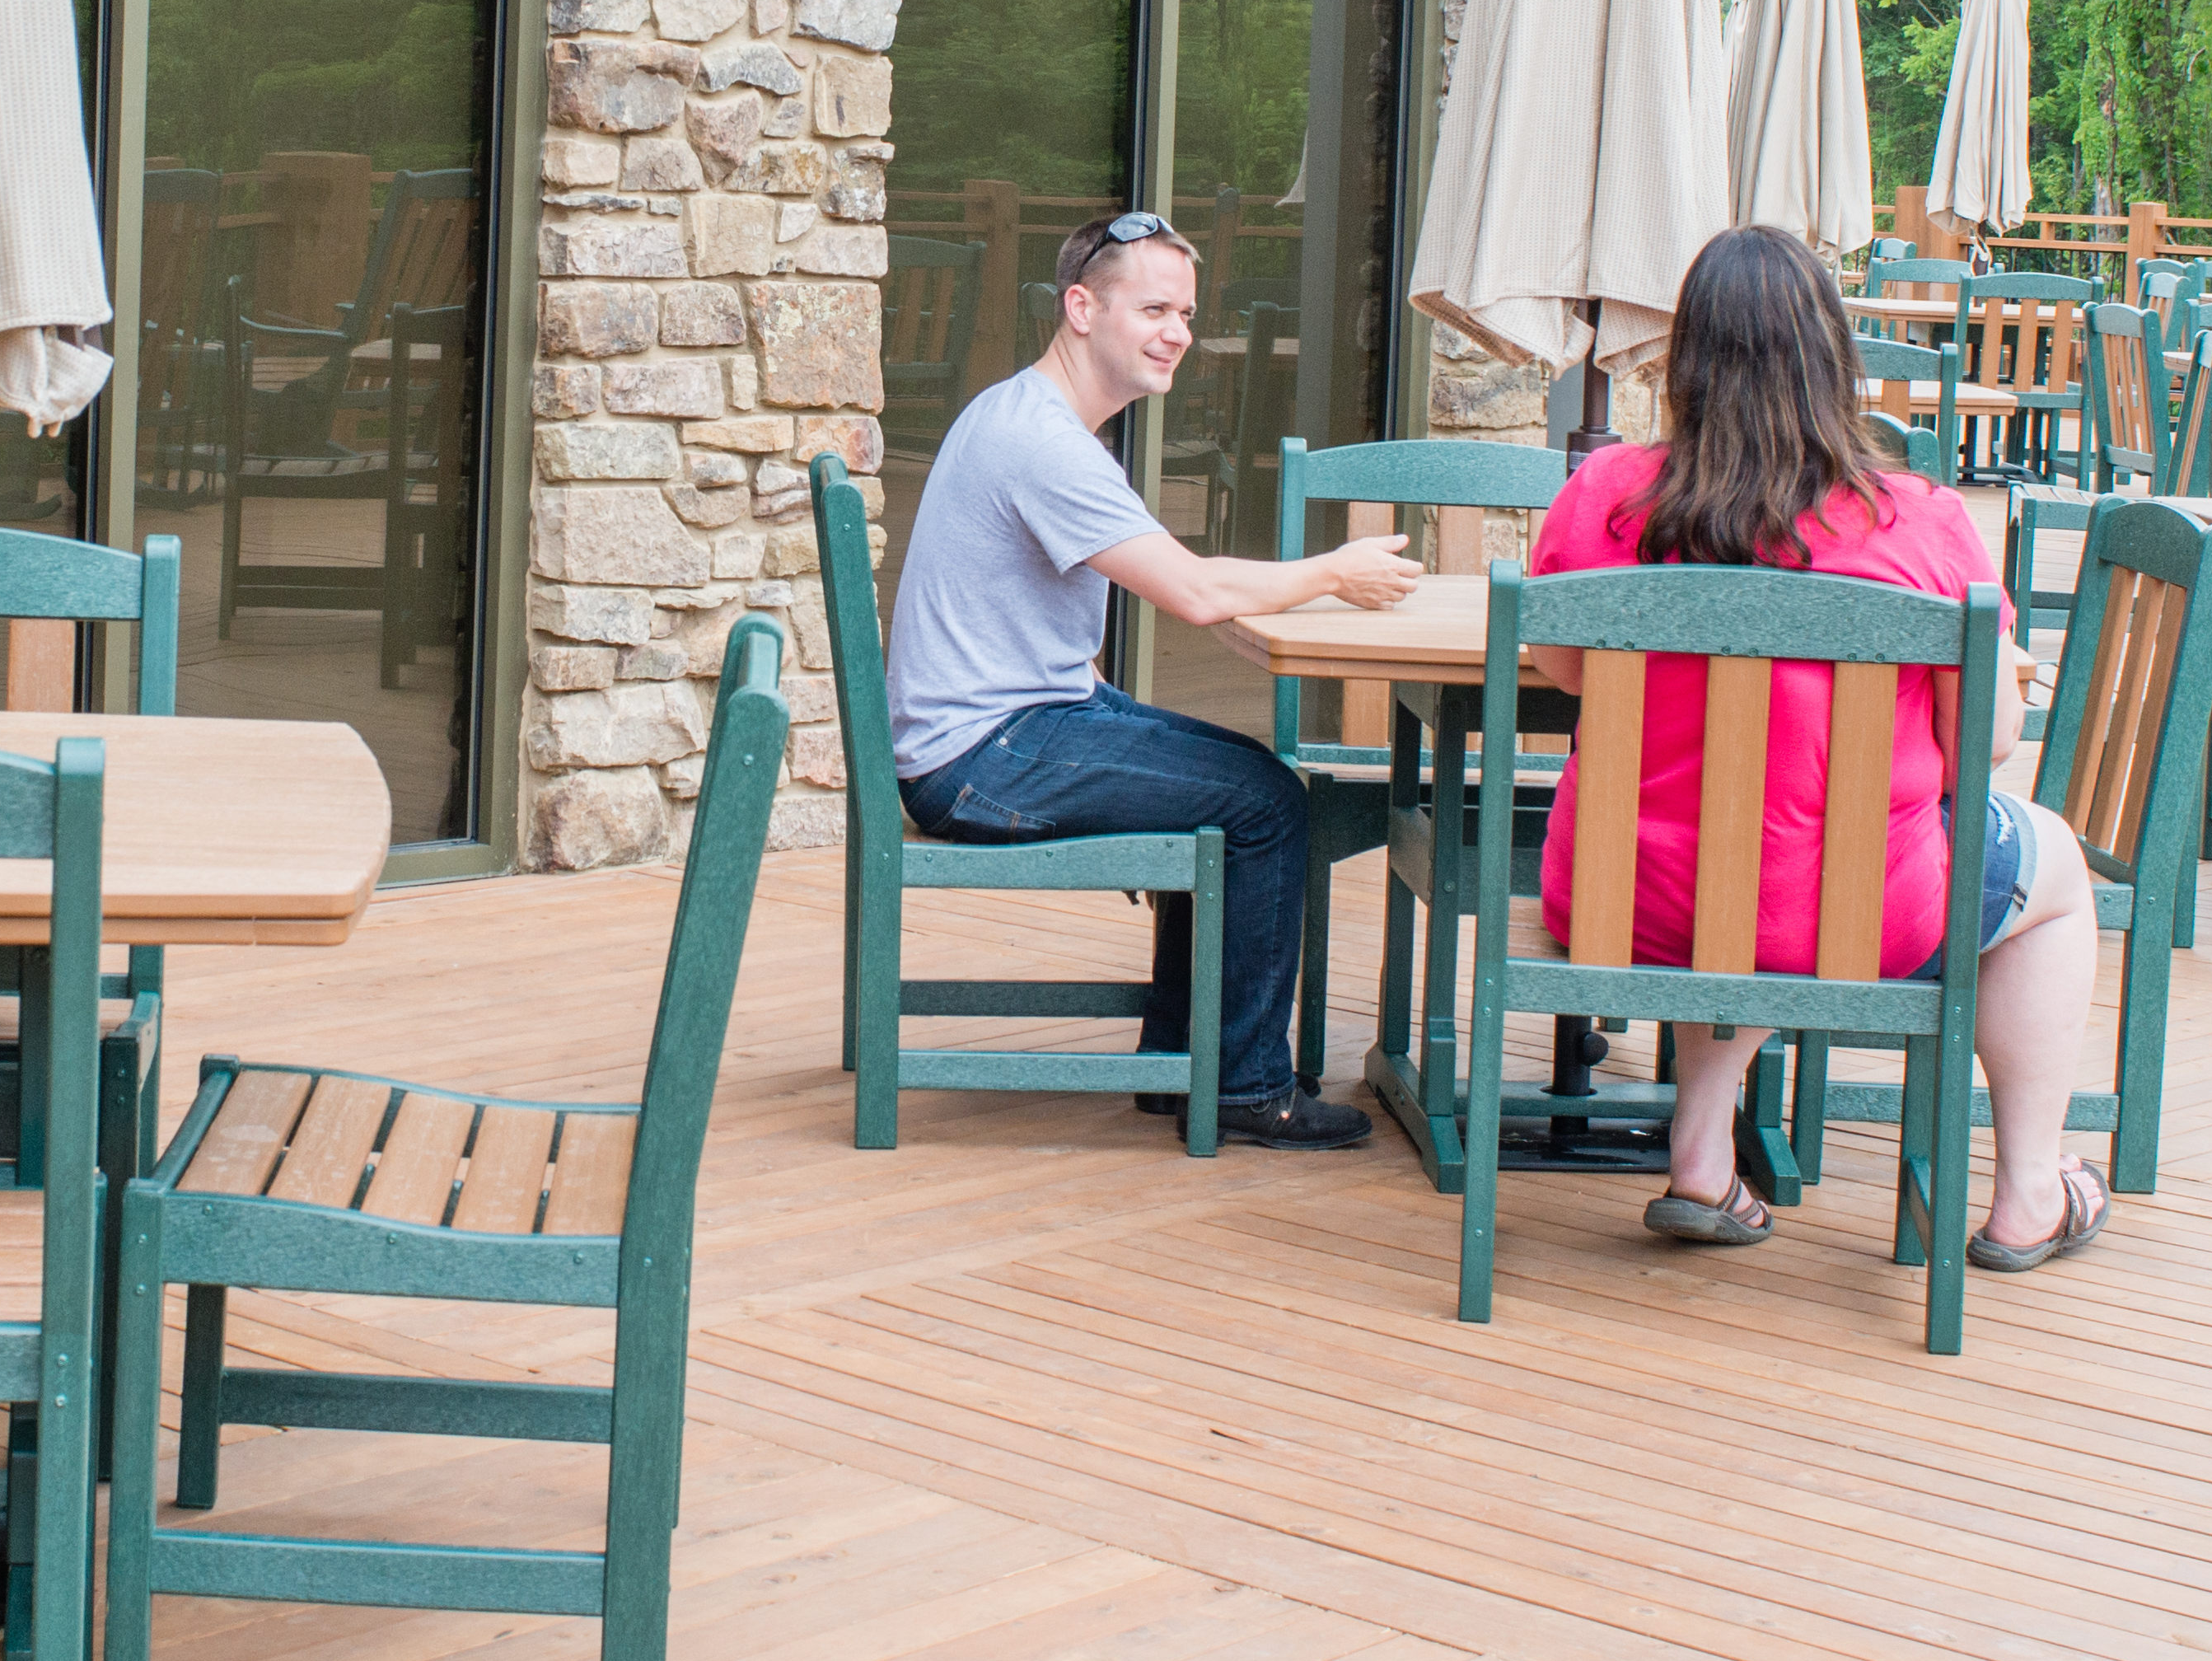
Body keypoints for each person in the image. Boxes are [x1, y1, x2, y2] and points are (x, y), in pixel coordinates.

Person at [1526, 223, 2108, 1269]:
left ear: (1684, 358)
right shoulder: (1921, 520)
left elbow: (1566, 675)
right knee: (2048, 865)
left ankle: (1702, 1151)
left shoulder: (1603, 492)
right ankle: (2028, 1191)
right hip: (1851, 915)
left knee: (1737, 847)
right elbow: (1993, 743)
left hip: (1626, 898)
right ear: (1833, 356)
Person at [886, 209, 1424, 1145]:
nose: (1177, 331)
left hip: (1003, 726)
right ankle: (1245, 1086)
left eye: (1183, 311)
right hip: (983, 756)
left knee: (1242, 781)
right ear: (1082, 307)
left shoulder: (1029, 414)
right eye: (1153, 309)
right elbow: (1197, 591)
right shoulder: (1046, 442)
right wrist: (1336, 571)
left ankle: (1186, 1067)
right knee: (1264, 800)